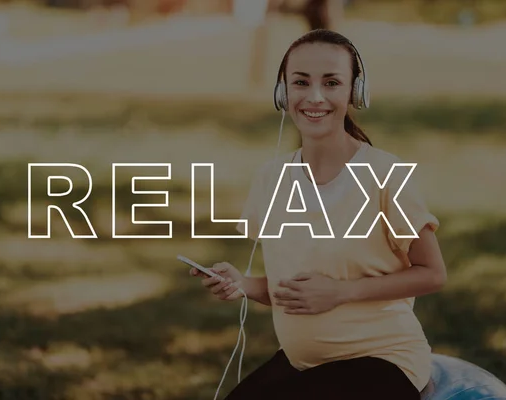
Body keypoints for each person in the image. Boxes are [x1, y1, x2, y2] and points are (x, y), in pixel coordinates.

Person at [190, 29, 447, 400]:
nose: (314, 97)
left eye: (331, 82)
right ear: (283, 93)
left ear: (354, 93)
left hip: (383, 360)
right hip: (305, 364)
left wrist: (343, 292)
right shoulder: (271, 178)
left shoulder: (385, 175)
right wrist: (243, 284)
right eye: (300, 82)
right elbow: (294, 289)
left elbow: (433, 273)